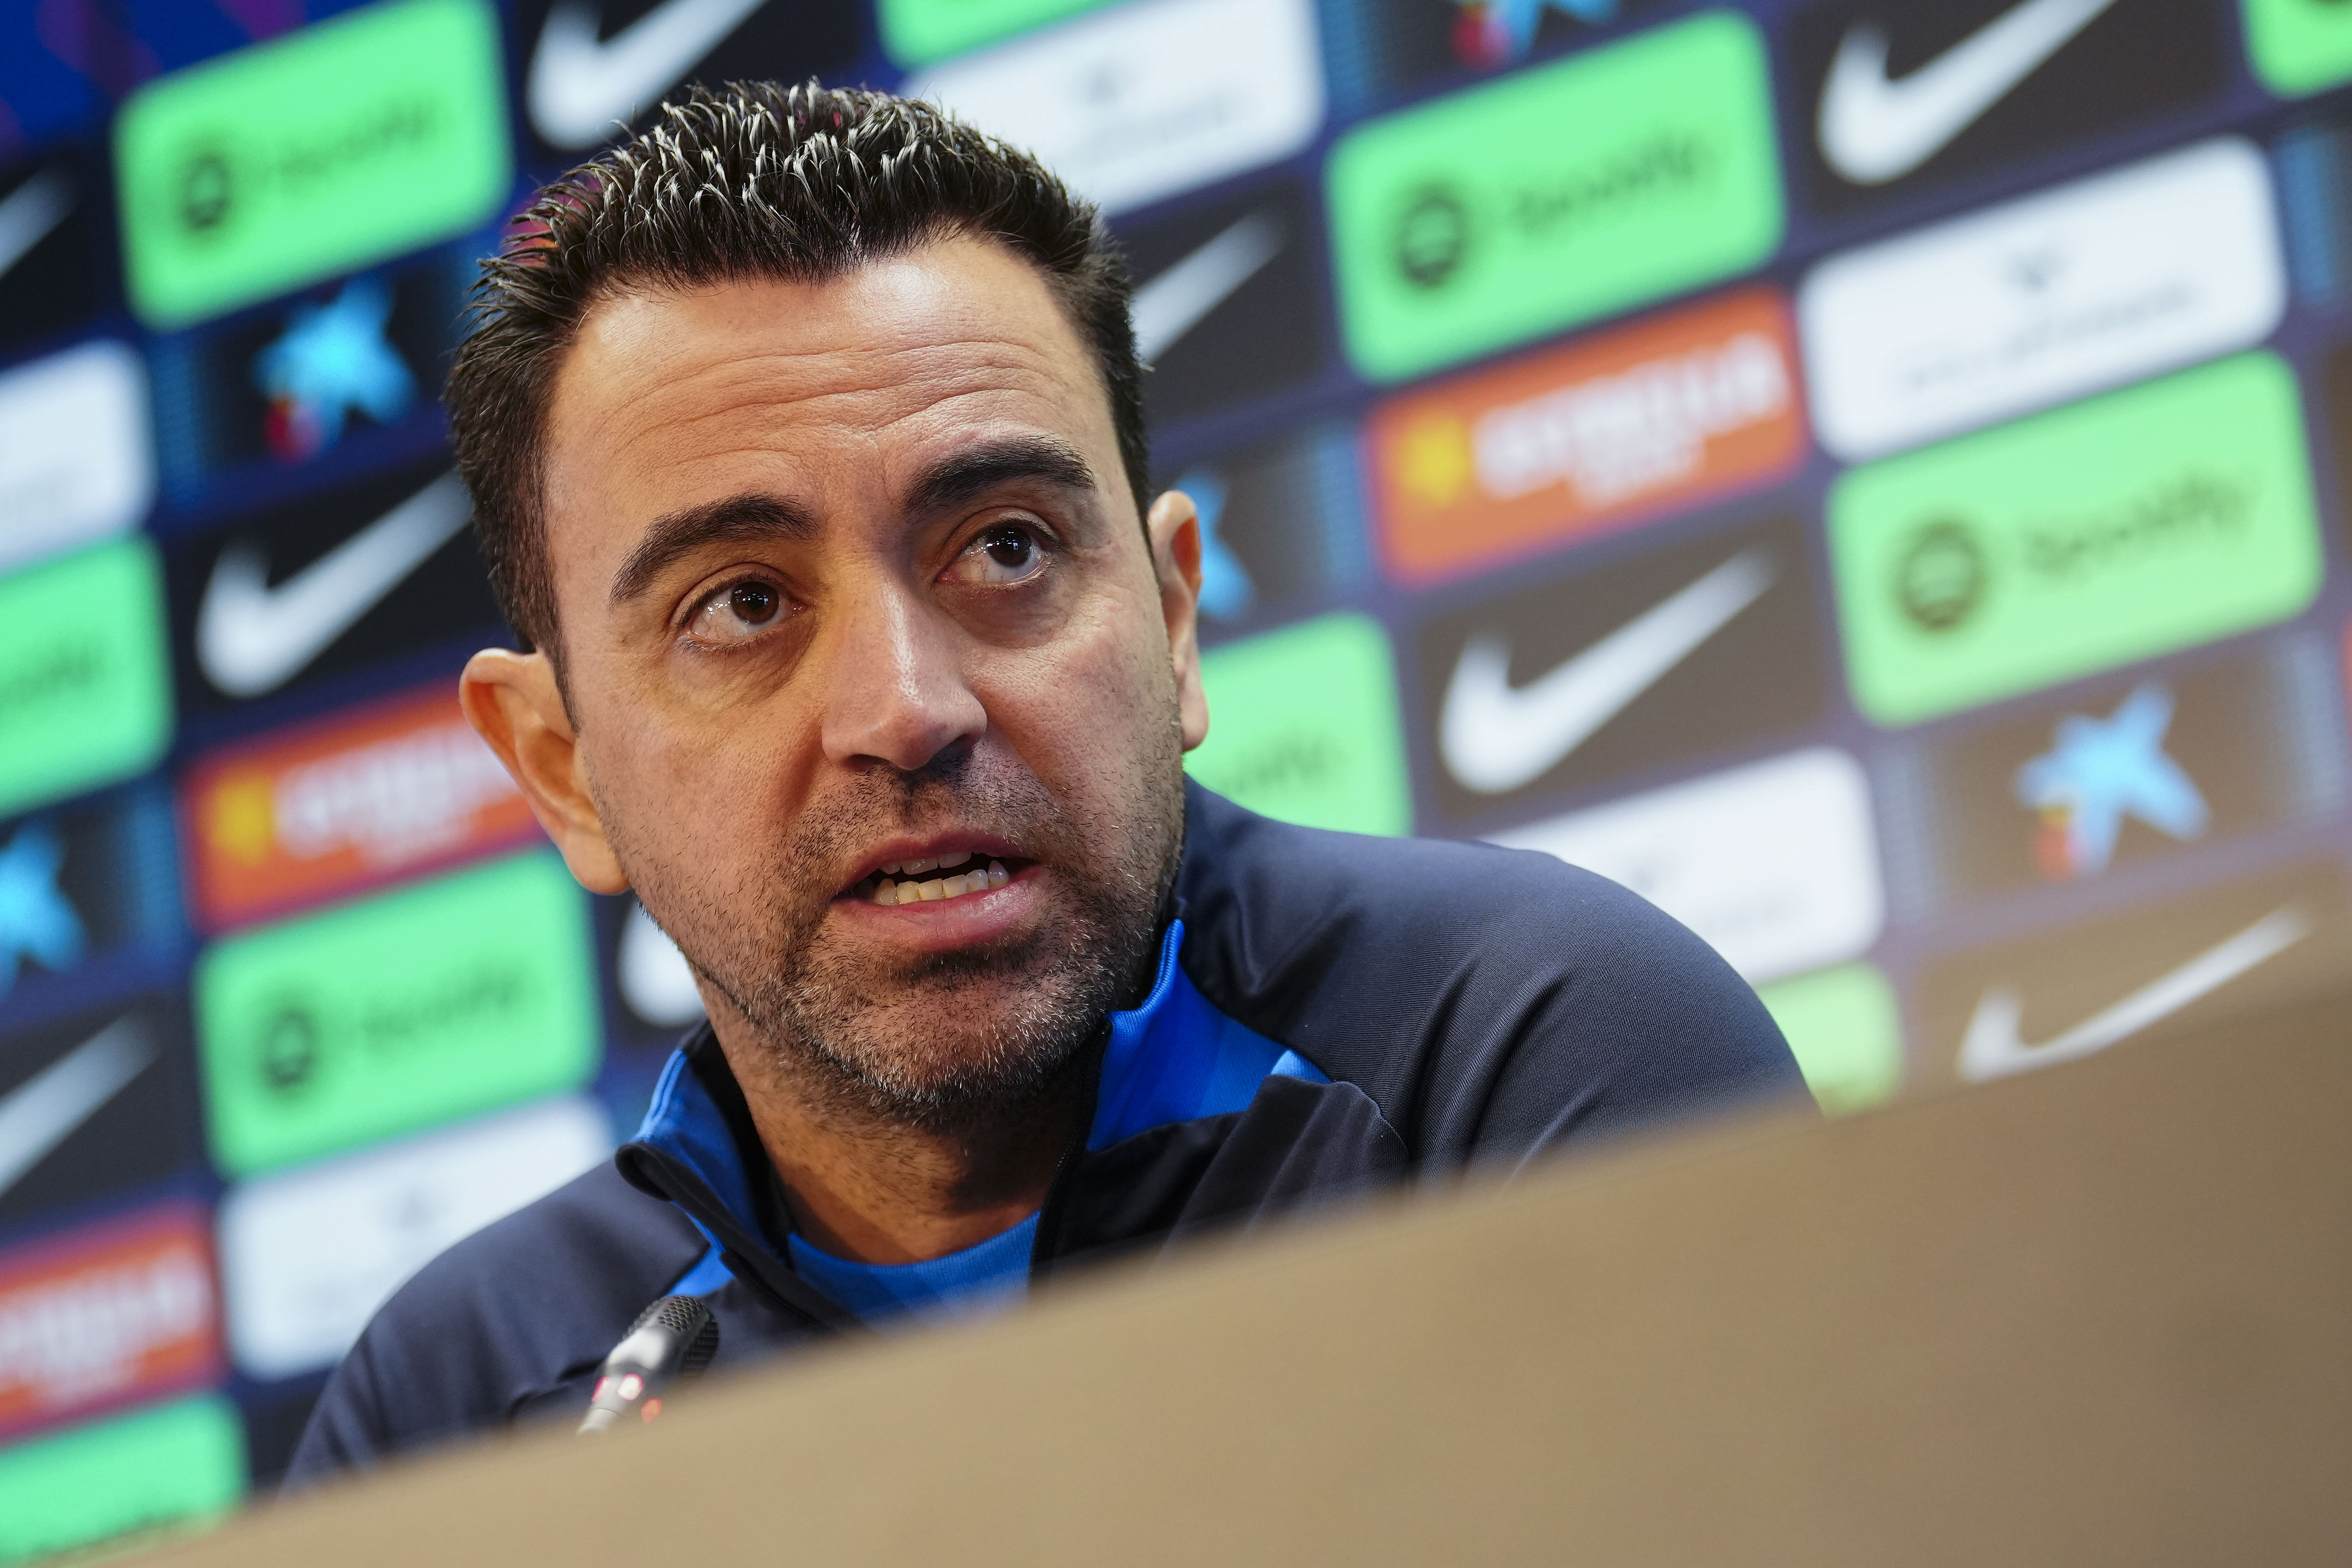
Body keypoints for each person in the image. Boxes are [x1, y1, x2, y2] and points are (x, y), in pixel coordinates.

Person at [285, 82, 1804, 1481]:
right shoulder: (458, 1404)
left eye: (1007, 547)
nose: (906, 708)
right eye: (740, 604)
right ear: (561, 770)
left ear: (1174, 620)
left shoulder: (1531, 1062)